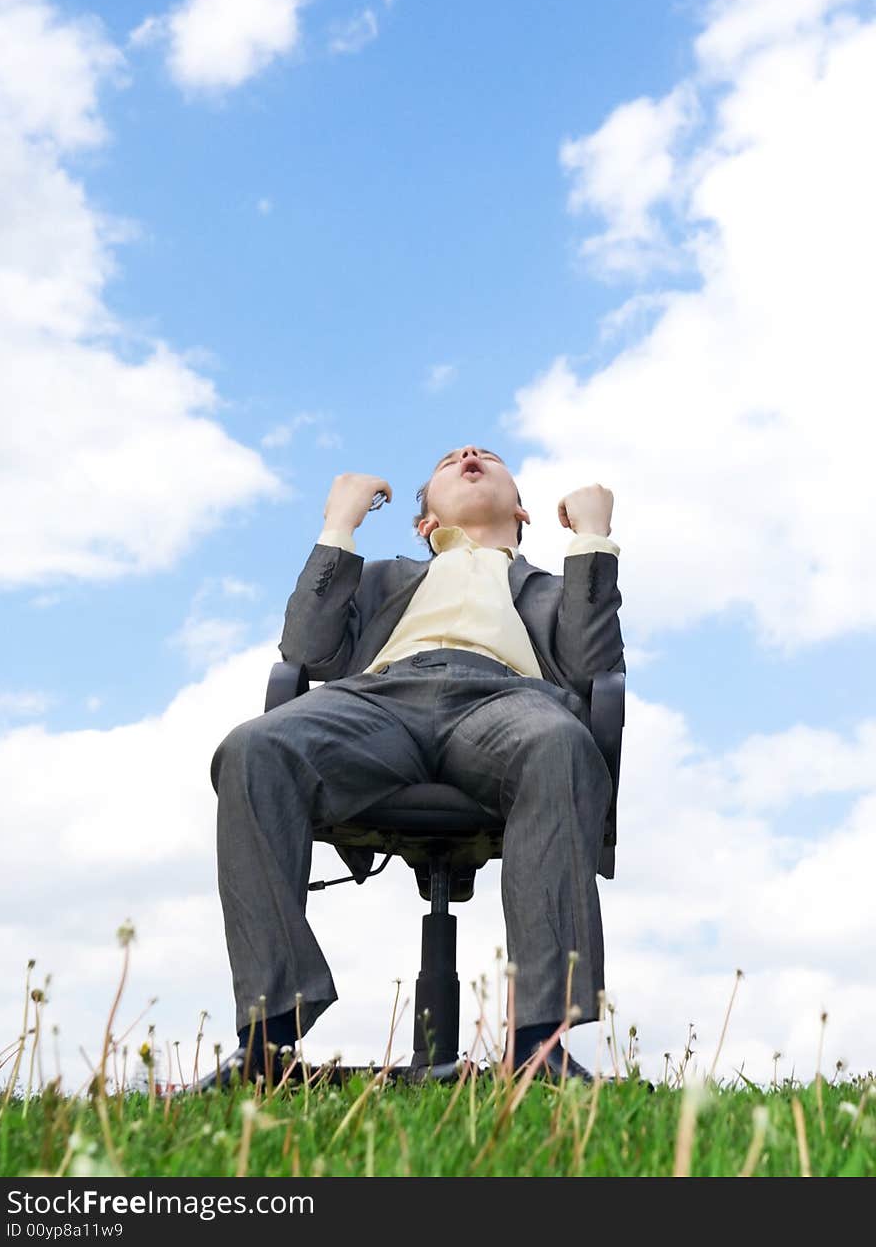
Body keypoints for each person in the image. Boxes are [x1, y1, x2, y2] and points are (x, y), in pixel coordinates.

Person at [199, 443, 624, 1089]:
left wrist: (594, 537)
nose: (470, 454)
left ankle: (541, 1049)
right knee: (254, 749)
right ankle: (268, 1043)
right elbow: (308, 650)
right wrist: (339, 524)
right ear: (425, 523)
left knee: (562, 743)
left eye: (485, 456)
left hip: (508, 705)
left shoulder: (548, 589)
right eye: (450, 459)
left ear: (523, 512)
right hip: (378, 703)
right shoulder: (381, 579)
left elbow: (592, 668)